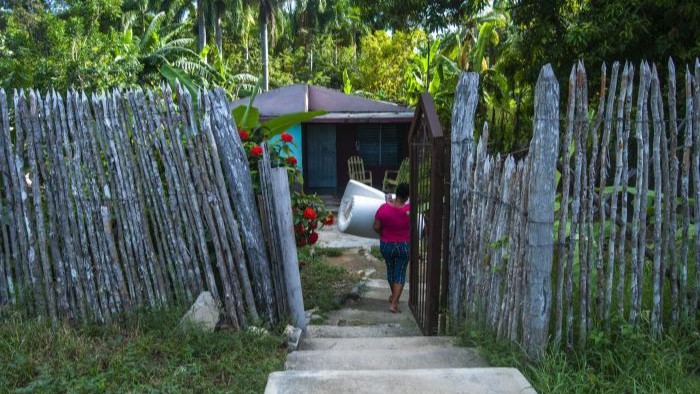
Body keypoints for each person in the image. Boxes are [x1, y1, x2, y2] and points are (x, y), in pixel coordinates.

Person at [373, 183, 410, 313]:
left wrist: (384, 234)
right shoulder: (409, 210)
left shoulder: (383, 208)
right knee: (400, 274)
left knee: (391, 270)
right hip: (403, 246)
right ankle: (394, 303)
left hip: (387, 245)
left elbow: (376, 227)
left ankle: (393, 296)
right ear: (407, 197)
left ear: (396, 192)